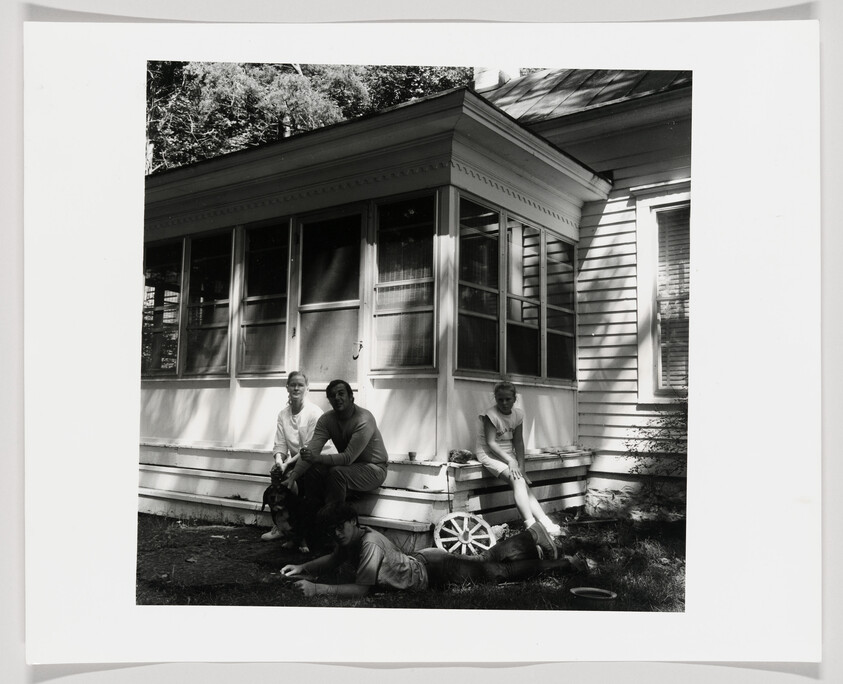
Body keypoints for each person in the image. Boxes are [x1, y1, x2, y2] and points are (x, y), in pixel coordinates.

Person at [280, 503, 588, 597]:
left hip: (436, 572)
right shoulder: (355, 538)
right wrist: (304, 568)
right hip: (429, 563)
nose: (336, 535)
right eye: (331, 532)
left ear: (352, 521)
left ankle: (566, 563)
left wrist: (318, 589)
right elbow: (334, 557)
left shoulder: (369, 544)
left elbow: (362, 590)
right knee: (485, 560)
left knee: (498, 571)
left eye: (339, 528)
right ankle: (532, 536)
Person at [475, 381, 567, 541]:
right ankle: (531, 527)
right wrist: (511, 462)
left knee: (521, 481)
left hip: (507, 453)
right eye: (500, 399)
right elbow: (491, 443)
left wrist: (521, 466)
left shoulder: (518, 415)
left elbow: (518, 442)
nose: (504, 403)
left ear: (514, 398)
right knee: (517, 481)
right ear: (495, 398)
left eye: (508, 399)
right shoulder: (490, 415)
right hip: (489, 453)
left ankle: (545, 523)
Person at [282, 379, 388, 509]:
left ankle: (333, 517)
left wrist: (317, 458)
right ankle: (313, 513)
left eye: (341, 393)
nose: (337, 398)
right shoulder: (327, 420)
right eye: (332, 395)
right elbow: (311, 451)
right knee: (313, 469)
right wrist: (293, 477)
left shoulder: (364, 418)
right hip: (348, 468)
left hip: (374, 469)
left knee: (337, 473)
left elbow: (348, 458)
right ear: (329, 400)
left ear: (351, 397)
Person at [261, 371, 328, 542]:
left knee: (293, 480)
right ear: (287, 387)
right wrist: (279, 461)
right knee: (276, 473)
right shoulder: (283, 414)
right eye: (293, 385)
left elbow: (310, 448)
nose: (296, 388)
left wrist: (287, 465)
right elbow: (280, 444)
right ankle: (281, 524)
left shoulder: (314, 413)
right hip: (294, 461)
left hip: (315, 463)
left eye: (300, 385)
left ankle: (297, 528)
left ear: (307, 388)